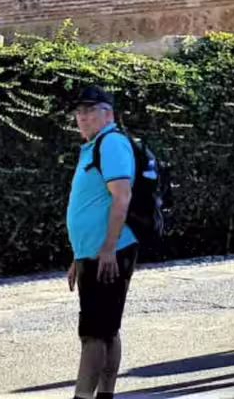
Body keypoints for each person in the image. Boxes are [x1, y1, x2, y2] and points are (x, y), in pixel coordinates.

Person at [66, 86, 138, 399]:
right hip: (94, 253)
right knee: (106, 329)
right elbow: (94, 204)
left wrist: (108, 247)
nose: (82, 117)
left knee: (93, 335)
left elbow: (122, 196)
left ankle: (83, 397)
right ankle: (105, 396)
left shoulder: (111, 144)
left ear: (107, 112)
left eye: (89, 110)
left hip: (109, 253)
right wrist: (78, 256)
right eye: (78, 111)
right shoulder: (95, 146)